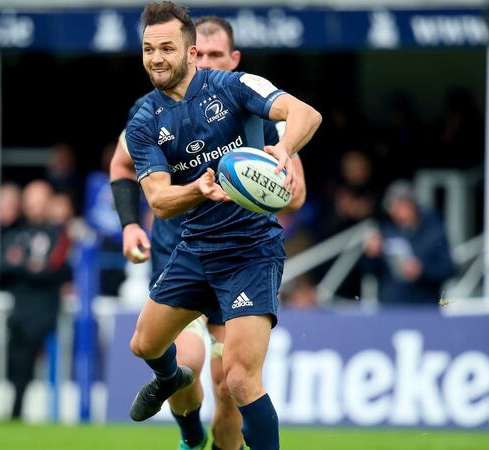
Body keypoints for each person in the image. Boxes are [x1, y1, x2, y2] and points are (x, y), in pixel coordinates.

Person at [124, 4, 321, 450]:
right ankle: (172, 380)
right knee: (144, 344)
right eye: (149, 49)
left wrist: (284, 150)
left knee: (238, 379)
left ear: (191, 52)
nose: (156, 58)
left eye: (167, 48)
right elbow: (158, 201)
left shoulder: (234, 86)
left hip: (251, 250)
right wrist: (199, 189)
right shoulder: (143, 122)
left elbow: (306, 114)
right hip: (195, 248)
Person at [0, 179, 72, 419]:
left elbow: (52, 269)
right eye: (30, 202)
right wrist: (28, 267)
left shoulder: (58, 234)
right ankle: (15, 409)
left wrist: (22, 265)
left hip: (44, 312)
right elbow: (4, 264)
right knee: (14, 362)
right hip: (19, 310)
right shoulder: (17, 233)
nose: (34, 208)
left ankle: (21, 411)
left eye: (39, 202)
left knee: (32, 361)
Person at [362, 180, 455, 305]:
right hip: (390, 308)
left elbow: (449, 269)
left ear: (410, 204)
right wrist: (370, 255)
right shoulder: (386, 230)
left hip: (424, 308)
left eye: (398, 207)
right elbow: (369, 272)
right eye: (391, 208)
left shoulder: (434, 230)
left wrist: (422, 270)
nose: (393, 213)